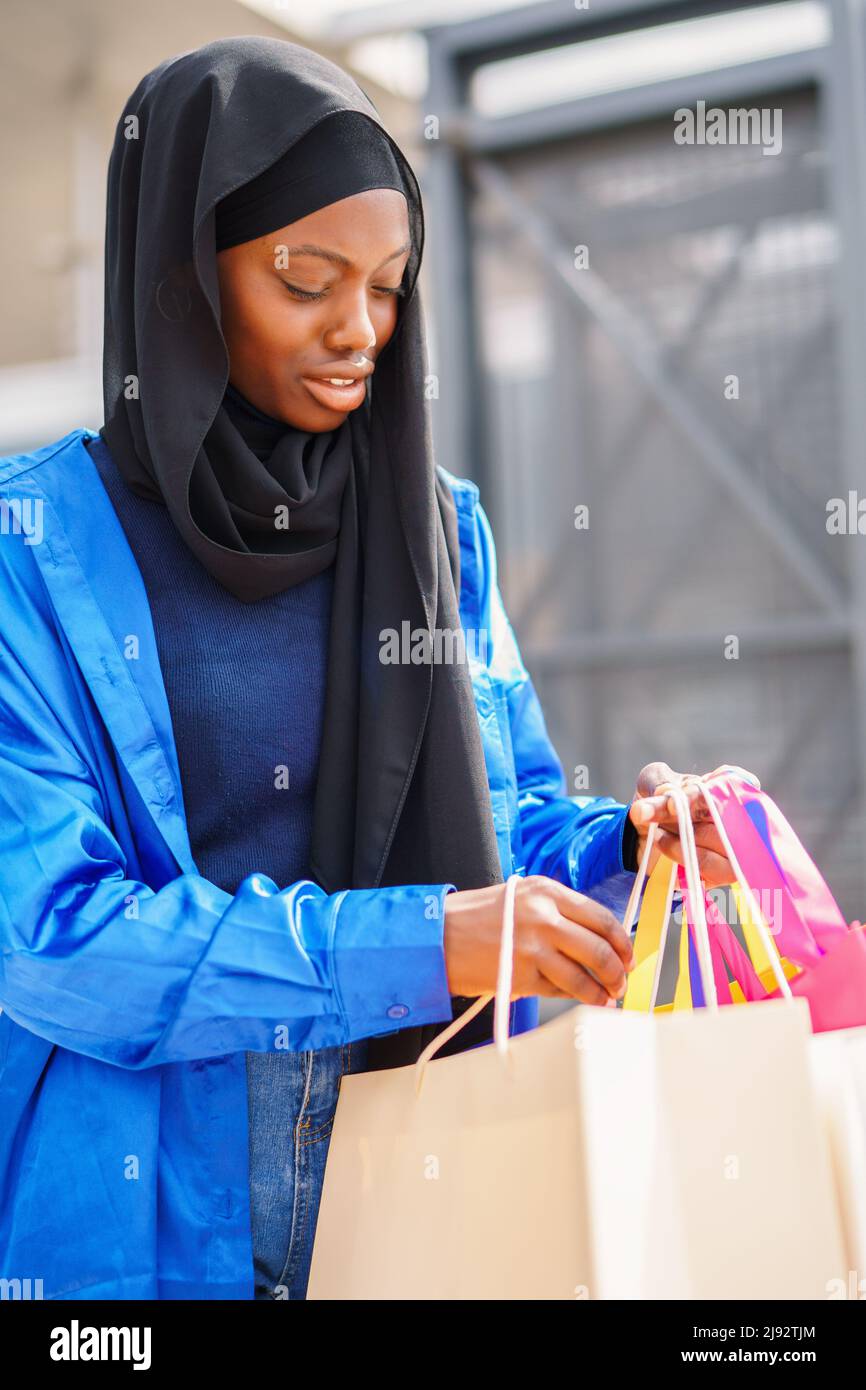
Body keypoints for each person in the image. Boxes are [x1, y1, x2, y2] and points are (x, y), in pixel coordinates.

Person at [0, 37, 738, 1300]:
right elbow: (51, 936)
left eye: (389, 286)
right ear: (183, 272)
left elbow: (496, 822)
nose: (360, 330)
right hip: (140, 1227)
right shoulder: (34, 549)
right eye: (306, 276)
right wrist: (424, 942)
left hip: (420, 1166)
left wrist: (628, 844)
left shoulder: (433, 529)